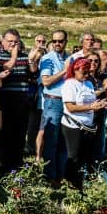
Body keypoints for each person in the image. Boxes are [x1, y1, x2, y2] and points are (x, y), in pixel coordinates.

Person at [0, 29, 40, 172]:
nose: (13, 44)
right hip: (4, 98)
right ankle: (5, 165)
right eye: (10, 41)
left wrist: (32, 61)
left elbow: (33, 75)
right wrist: (14, 56)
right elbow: (3, 70)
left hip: (22, 98)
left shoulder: (24, 56)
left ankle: (17, 163)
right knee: (6, 133)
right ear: (3, 42)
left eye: (16, 42)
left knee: (20, 132)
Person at [60, 58, 107, 189]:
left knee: (83, 156)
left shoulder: (88, 84)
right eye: (84, 72)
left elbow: (91, 100)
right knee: (74, 156)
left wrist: (101, 104)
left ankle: (79, 185)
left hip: (87, 125)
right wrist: (91, 107)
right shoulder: (69, 84)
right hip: (73, 125)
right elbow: (70, 107)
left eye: (88, 72)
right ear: (75, 70)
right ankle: (69, 184)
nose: (87, 75)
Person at [38, 30, 70, 185]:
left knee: (64, 140)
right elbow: (46, 81)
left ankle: (61, 174)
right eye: (55, 41)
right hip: (53, 101)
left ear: (66, 42)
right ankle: (50, 175)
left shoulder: (69, 58)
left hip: (67, 102)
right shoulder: (47, 58)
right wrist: (64, 71)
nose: (57, 44)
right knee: (51, 140)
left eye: (60, 41)